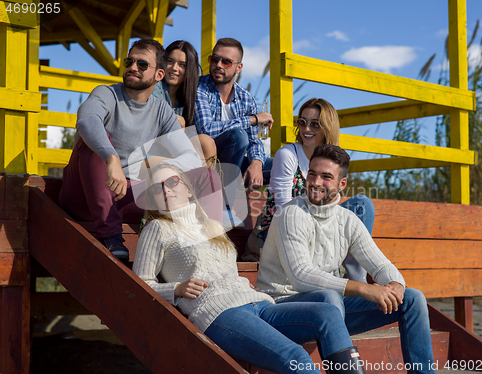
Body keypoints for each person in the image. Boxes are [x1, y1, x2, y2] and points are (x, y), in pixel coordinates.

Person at [133, 163, 369, 374]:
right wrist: (176, 289)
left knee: (328, 313)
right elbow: (139, 283)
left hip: (258, 303)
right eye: (156, 187)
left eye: (172, 181)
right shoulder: (157, 229)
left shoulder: (211, 225)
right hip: (219, 313)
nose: (165, 189)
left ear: (186, 186)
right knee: (294, 356)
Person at [256, 144, 436, 374]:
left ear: (342, 184)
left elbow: (380, 264)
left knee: (412, 299)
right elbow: (301, 275)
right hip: (283, 308)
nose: (316, 182)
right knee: (329, 297)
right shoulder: (291, 214)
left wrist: (395, 285)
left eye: (326, 177)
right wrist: (362, 288)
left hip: (331, 312)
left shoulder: (347, 220)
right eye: (312, 173)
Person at [58, 39, 220, 263]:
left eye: (142, 64)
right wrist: (111, 157)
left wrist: (159, 170)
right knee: (94, 138)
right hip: (84, 195)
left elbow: (191, 158)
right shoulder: (107, 94)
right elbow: (87, 120)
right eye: (129, 61)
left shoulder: (161, 110)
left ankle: (204, 244)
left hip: (128, 194)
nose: (133, 67)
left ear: (159, 75)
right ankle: (111, 236)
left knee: (196, 173)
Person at [244, 98, 373, 285]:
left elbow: (332, 209)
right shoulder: (288, 154)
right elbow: (284, 211)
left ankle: (355, 281)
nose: (306, 129)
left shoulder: (333, 160)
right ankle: (341, 281)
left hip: (318, 233)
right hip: (279, 233)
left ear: (327, 127)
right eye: (302, 122)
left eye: (315, 124)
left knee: (362, 205)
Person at [194, 37, 273, 190]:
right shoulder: (199, 87)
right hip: (204, 162)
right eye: (214, 59)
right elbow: (206, 129)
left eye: (226, 62)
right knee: (238, 136)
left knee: (280, 163)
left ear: (238, 67)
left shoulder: (246, 98)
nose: (218, 65)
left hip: (235, 164)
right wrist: (252, 119)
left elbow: (254, 141)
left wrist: (257, 163)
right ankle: (225, 202)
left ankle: (278, 212)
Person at [152, 40, 217, 168]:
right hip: (152, 146)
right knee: (179, 121)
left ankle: (208, 184)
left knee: (206, 141)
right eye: (170, 61)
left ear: (190, 69)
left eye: (182, 64)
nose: (174, 68)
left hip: (176, 149)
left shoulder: (189, 95)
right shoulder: (155, 85)